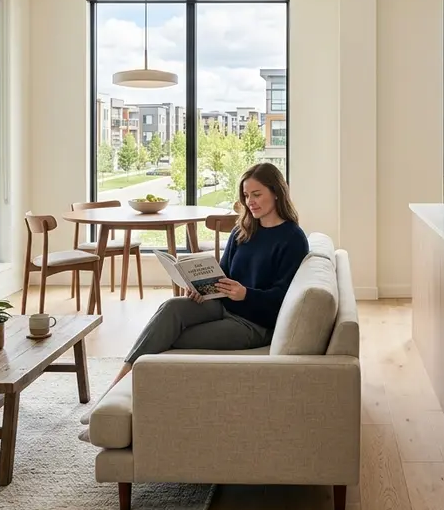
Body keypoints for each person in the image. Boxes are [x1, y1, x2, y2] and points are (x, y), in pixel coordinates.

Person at [107, 162, 310, 389]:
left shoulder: (293, 239)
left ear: (276, 193)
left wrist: (245, 294)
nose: (249, 202)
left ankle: (134, 389)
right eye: (245, 195)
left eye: (256, 194)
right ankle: (118, 383)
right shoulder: (242, 230)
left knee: (169, 335)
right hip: (222, 306)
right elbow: (223, 274)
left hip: (254, 325)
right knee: (171, 308)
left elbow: (283, 298)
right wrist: (201, 289)